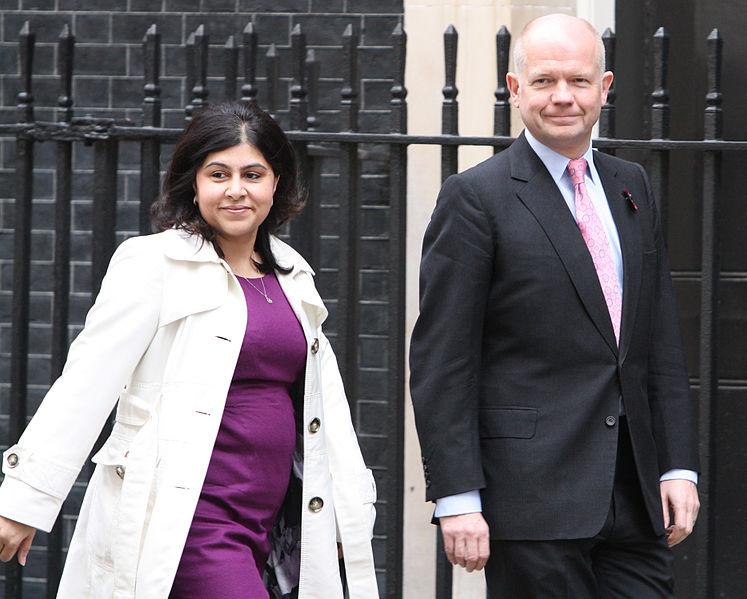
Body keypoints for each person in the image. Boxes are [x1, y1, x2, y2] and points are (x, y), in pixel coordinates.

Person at [0, 101, 379, 599]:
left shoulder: (292, 276)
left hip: (272, 522)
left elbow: (325, 411)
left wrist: (341, 515)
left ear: (276, 183)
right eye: (217, 173)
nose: (236, 190)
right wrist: (24, 500)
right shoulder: (155, 263)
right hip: (188, 521)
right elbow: (85, 383)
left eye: (253, 174)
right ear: (193, 184)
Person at [410, 14, 700, 598]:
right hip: (530, 500)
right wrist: (459, 498)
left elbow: (656, 338)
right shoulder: (475, 198)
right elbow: (444, 360)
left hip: (634, 495)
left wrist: (677, 466)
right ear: (516, 90)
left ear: (605, 87)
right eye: (544, 81)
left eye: (578, 80)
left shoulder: (631, 185)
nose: (563, 96)